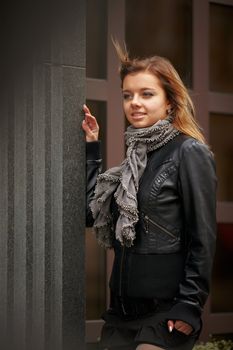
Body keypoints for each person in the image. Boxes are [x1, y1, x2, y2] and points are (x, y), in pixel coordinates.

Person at [82, 44, 217, 350]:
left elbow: (203, 238)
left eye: (147, 94)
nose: (135, 103)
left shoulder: (188, 152)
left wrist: (189, 306)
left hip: (166, 312)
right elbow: (90, 214)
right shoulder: (133, 162)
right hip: (121, 312)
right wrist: (92, 147)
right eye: (128, 95)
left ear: (170, 101)